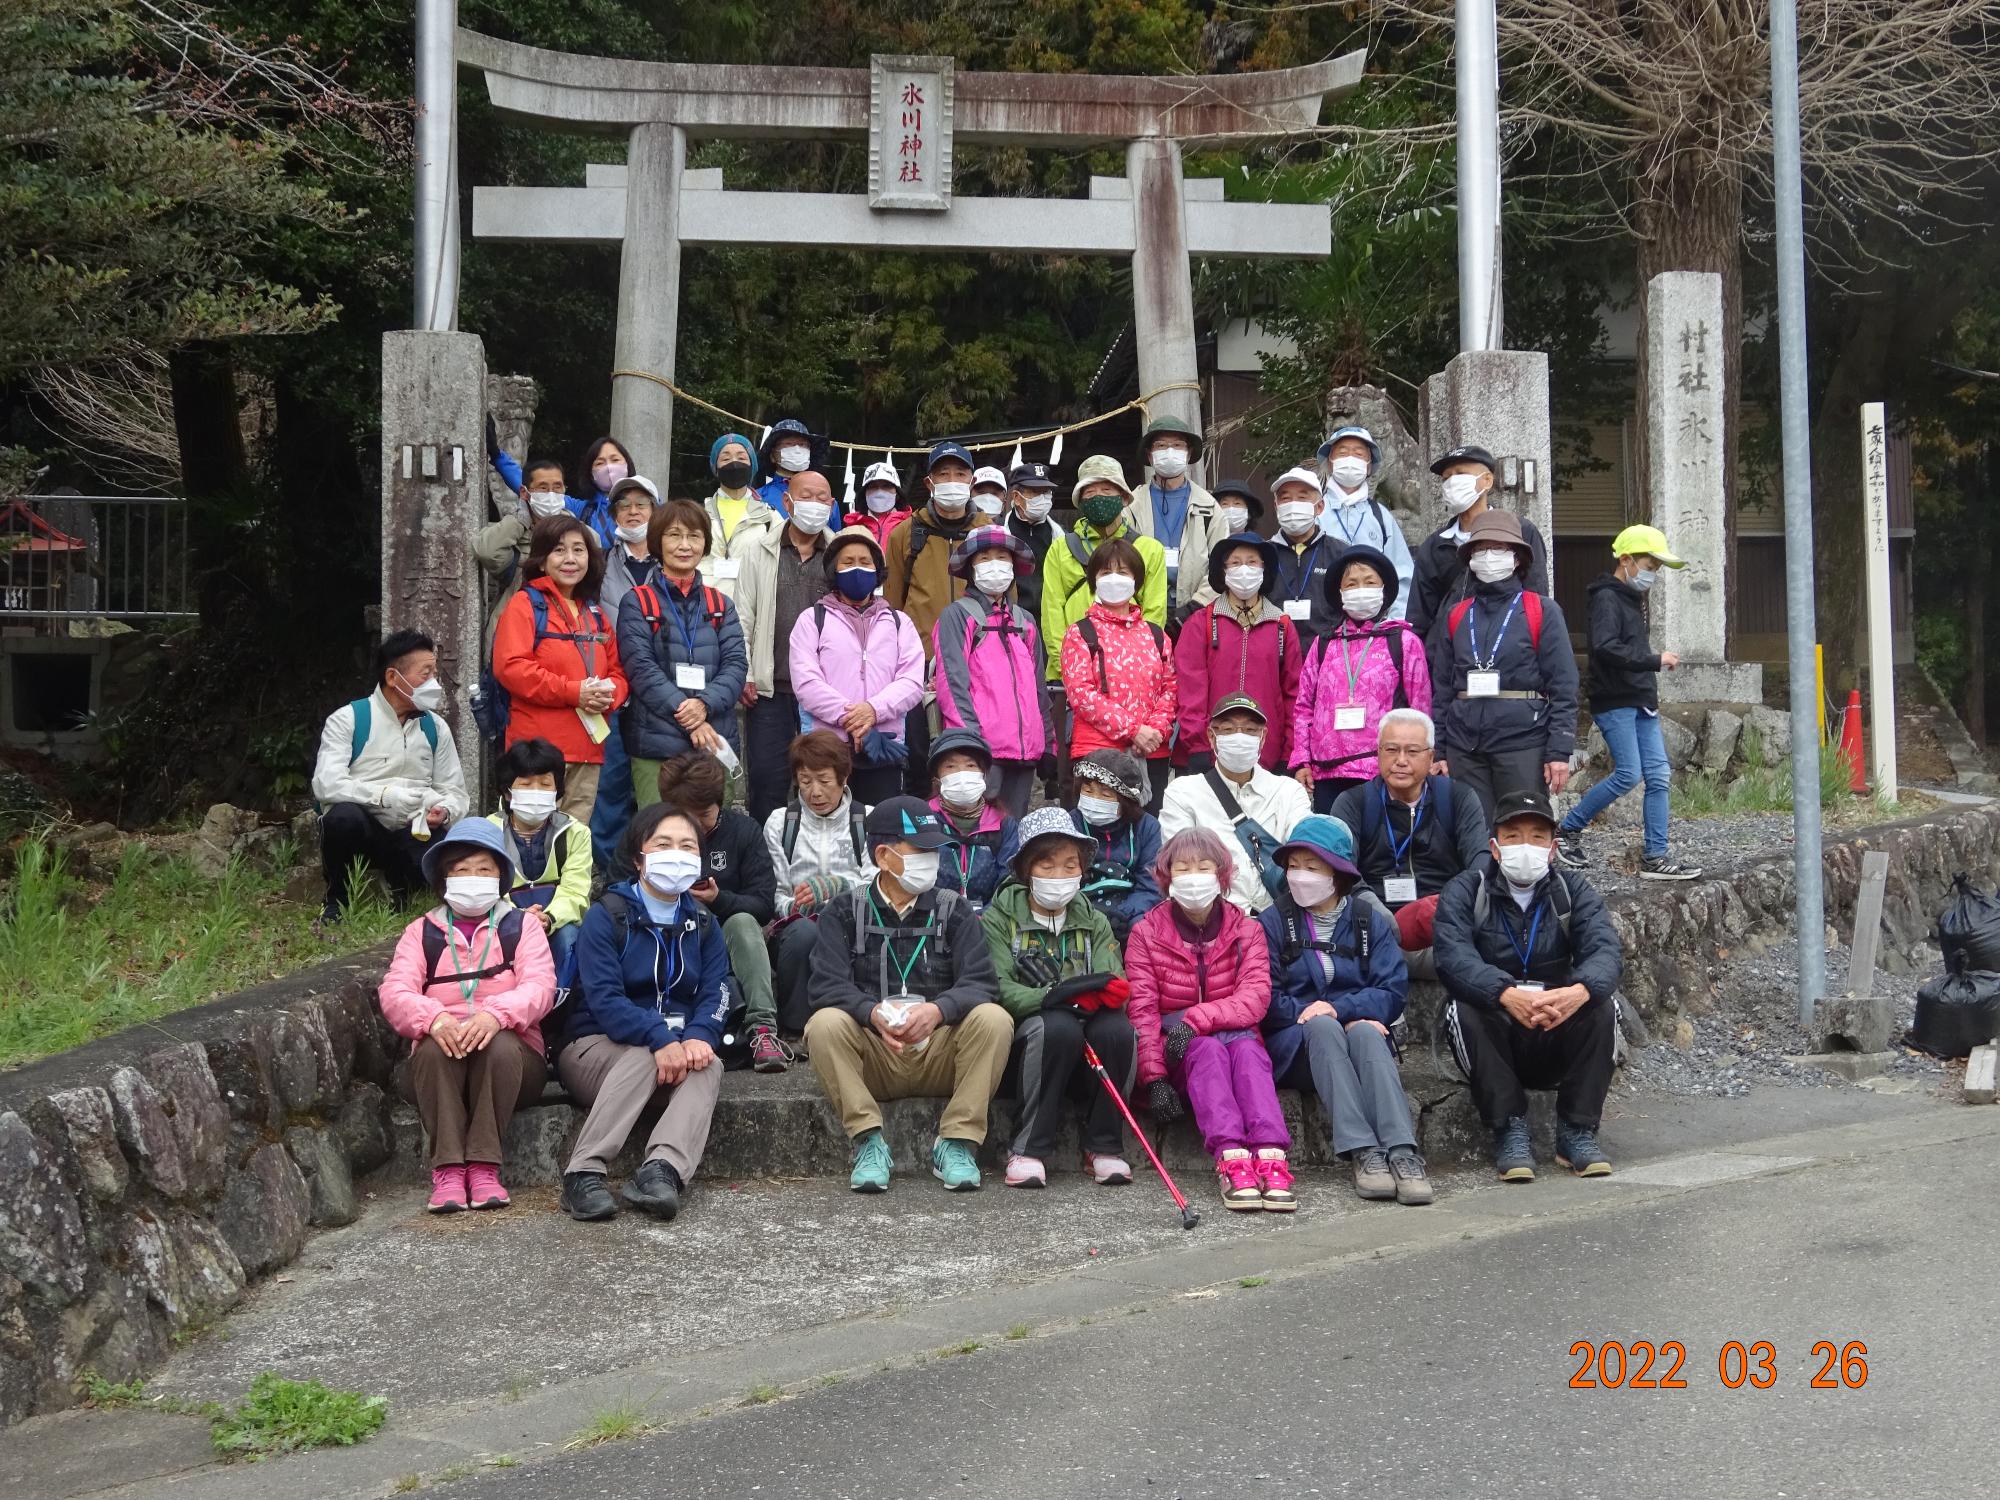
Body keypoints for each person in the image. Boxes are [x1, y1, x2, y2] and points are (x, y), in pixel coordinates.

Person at [804, 796, 1010, 1193]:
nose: (932, 859)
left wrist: (939, 1010)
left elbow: (982, 983)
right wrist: (868, 1013)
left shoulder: (955, 909)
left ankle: (956, 1142)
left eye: (936, 850)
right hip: (876, 1053)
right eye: (922, 850)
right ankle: (867, 1142)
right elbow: (826, 986)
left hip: (939, 1050)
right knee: (824, 1024)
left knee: (993, 1019)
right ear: (884, 855)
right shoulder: (844, 911)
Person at [557, 802, 734, 1223]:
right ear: (639, 856)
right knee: (642, 1055)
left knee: (708, 1065)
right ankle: (583, 1173)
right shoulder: (607, 916)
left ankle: (662, 1172)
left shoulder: (705, 923)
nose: (677, 854)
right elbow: (604, 1000)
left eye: (687, 846)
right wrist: (658, 1036)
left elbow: (718, 990)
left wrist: (698, 1036)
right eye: (664, 844)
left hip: (671, 1055)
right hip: (594, 1047)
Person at [1435, 788, 1624, 1181]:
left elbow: (1606, 951)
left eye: (1538, 837)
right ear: (1495, 846)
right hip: (1498, 1031)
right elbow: (1453, 958)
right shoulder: (1466, 890)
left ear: (1553, 848)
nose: (1527, 846)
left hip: (1555, 1023)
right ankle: (1509, 1130)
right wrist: (1505, 993)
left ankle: (1577, 1132)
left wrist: (1578, 991)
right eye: (1514, 836)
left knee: (1604, 1005)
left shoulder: (1574, 891)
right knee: (1464, 1007)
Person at [378, 817, 555, 1214]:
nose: (472, 878)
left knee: (501, 1045)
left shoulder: (522, 925)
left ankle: (484, 1167)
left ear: (500, 877)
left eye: (483, 869)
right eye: (460, 870)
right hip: (442, 1059)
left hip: (514, 1062)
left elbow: (541, 987)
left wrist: (494, 1016)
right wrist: (435, 1019)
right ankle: (448, 1172)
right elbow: (395, 990)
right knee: (430, 1050)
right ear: (444, 879)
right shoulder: (420, 932)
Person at [1258, 815, 1433, 1206]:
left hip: (1357, 1036)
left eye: (1312, 867)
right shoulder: (1271, 922)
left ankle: (1403, 1152)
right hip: (1296, 1045)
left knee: (1368, 1031)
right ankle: (1364, 1152)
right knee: (1322, 1027)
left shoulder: (1368, 919)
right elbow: (1266, 998)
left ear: (1337, 873)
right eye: (1293, 866)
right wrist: (1319, 1013)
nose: (1300, 876)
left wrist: (1341, 1009)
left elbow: (1392, 990)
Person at [1125, 828, 1292, 1212]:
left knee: (1248, 1048)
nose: (1194, 876)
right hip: (1180, 1053)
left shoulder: (1247, 930)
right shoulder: (1145, 934)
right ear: (1167, 876)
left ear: (1222, 873)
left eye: (1204, 866)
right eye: (1182, 868)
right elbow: (1144, 1010)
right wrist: (1155, 1079)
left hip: (1232, 1042)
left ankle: (1271, 1156)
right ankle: (1231, 1158)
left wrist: (1196, 1018)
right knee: (1207, 1050)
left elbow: (1255, 998)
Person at [983, 806, 1136, 1188]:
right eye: (1047, 866)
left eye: (1071, 866)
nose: (1060, 876)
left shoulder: (1094, 919)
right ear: (1025, 871)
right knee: (1058, 1027)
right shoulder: (999, 919)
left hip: (1088, 1038)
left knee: (1117, 1030)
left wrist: (1089, 996)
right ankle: (1028, 1148)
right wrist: (1052, 997)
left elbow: (1111, 978)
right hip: (1031, 1042)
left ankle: (1104, 1146)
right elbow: (999, 987)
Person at [1556, 525, 1701, 881]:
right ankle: (1566, 830)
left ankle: (1655, 856)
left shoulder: (1629, 598)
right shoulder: (1607, 598)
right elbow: (1605, 647)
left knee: (1658, 776)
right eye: (1651, 565)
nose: (1654, 574)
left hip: (1640, 698)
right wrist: (1655, 660)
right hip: (1615, 699)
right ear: (1627, 561)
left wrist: (1649, 672)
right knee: (1628, 774)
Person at [1428, 509, 1579, 819]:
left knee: (1523, 831)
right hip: (1464, 745)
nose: (1488, 556)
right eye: (1480, 549)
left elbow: (1563, 686)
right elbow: (1442, 688)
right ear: (1469, 558)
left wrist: (1559, 750)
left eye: (1499, 548)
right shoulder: (1457, 614)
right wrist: (1440, 749)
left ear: (1518, 558)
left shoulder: (1542, 611)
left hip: (1523, 742)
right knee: (1472, 833)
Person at [312, 630, 470, 922]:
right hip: (366, 828)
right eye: (425, 674)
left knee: (450, 845)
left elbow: (455, 791)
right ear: (393, 678)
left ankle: (403, 886)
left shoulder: (435, 727)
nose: (434, 683)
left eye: (435, 673)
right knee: (343, 818)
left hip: (414, 830)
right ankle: (337, 899)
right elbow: (326, 783)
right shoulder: (349, 719)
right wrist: (383, 797)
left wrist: (444, 811)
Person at [1331, 709, 1489, 980]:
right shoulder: (1353, 803)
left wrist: (1449, 905)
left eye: (1412, 751)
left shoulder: (1457, 798)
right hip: (1375, 921)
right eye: (1391, 749)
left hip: (1444, 917)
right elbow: (1340, 869)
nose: (1400, 761)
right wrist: (1375, 911)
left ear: (1431, 756)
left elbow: (1481, 862)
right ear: (1378, 752)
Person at [490, 515, 627, 822]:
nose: (570, 559)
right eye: (559, 550)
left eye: (579, 550)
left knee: (574, 835)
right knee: (527, 831)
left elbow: (618, 671)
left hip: (587, 747)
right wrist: (573, 692)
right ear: (541, 560)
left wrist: (610, 694)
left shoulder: (595, 613)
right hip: (535, 751)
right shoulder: (525, 605)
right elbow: (511, 668)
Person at [655, 753, 787, 1072]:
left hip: (725, 930)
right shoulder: (651, 831)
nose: (696, 825)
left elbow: (763, 903)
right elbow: (620, 886)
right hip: (664, 927)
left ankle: (763, 1031)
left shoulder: (743, 830)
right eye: (687, 816)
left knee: (743, 922)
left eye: (705, 815)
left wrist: (718, 899)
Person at [619, 499, 749, 799]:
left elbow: (735, 666)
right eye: (674, 535)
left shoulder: (720, 604)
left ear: (704, 543)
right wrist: (689, 715)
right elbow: (640, 668)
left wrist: (703, 706)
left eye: (694, 535)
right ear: (657, 541)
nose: (684, 544)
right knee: (658, 834)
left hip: (714, 739)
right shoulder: (637, 601)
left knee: (715, 835)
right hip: (656, 742)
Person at [790, 527, 927, 806]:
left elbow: (912, 681)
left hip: (883, 746)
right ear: (833, 570)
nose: (857, 569)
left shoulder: (900, 622)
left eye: (865, 562)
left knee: (878, 831)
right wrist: (852, 718)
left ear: (878, 570)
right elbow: (806, 683)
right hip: (825, 750)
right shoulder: (811, 619)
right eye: (847, 562)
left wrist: (873, 710)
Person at [1291, 542, 1431, 812]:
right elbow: (1304, 707)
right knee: (1333, 848)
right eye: (1352, 583)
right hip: (1327, 772)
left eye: (1369, 582)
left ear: (1384, 590)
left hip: (1383, 770)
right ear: (1340, 592)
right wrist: (1302, 760)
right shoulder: (1324, 644)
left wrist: (1416, 762)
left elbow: (1420, 710)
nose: (1361, 589)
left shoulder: (1403, 641)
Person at [734, 468, 838, 821]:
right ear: (788, 501)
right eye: (805, 496)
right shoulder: (758, 550)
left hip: (827, 691)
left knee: (824, 777)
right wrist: (744, 672)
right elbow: (742, 615)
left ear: (832, 505)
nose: (814, 504)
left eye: (822, 498)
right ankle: (766, 858)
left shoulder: (840, 554)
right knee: (766, 777)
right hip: (769, 687)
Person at [933, 526, 1051, 817]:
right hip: (982, 754)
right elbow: (952, 684)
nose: (994, 564)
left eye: (1002, 557)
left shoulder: (1025, 621)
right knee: (978, 828)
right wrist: (970, 743)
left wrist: (1048, 742)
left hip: (1025, 751)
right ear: (971, 567)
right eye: (984, 557)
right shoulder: (958, 615)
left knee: (1015, 832)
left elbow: (1039, 688)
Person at [764, 730, 876, 1034]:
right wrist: (800, 904)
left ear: (843, 777)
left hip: (854, 920)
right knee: (804, 934)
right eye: (805, 781)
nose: (815, 792)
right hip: (799, 926)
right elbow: (776, 892)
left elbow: (877, 883)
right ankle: (797, 1028)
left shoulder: (867, 819)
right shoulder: (781, 822)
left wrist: (838, 889)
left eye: (824, 781)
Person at [1158, 695, 1310, 916]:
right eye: (1228, 730)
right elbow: (1180, 866)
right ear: (1212, 737)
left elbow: (1304, 851)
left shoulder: (1289, 791)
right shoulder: (1183, 793)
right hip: (1213, 921)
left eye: (1250, 730)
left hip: (1279, 921)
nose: (1240, 738)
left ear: (1263, 737)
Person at [885, 440, 980, 787]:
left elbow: (1006, 601)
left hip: (976, 664)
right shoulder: (905, 534)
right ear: (929, 483)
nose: (952, 480)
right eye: (943, 474)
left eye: (959, 473)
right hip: (919, 665)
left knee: (971, 754)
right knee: (919, 756)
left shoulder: (988, 530)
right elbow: (892, 605)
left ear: (971, 481)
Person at [1061, 537, 1177, 808]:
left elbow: (1170, 689)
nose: (1114, 578)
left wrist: (1154, 733)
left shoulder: (1157, 635)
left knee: (1148, 831)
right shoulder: (1080, 633)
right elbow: (1081, 694)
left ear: (1136, 580)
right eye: (1105, 572)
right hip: (1098, 751)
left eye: (1123, 572)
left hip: (1151, 752)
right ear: (1094, 580)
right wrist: (1134, 731)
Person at [1173, 531, 1302, 774]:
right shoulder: (1200, 622)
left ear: (1264, 569)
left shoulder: (1282, 626)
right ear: (1224, 571)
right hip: (1207, 752)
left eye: (1252, 562)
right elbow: (1190, 690)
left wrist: (1288, 753)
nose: (1244, 569)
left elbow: (1293, 695)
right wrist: (1198, 745)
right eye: (1235, 562)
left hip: (1266, 755)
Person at [588, 474, 664, 864]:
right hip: (613, 687)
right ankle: (610, 868)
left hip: (661, 688)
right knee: (611, 783)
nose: (633, 512)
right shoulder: (598, 562)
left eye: (641, 504)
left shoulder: (672, 562)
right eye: (624, 505)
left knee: (657, 784)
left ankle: (657, 865)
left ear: (655, 510)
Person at [1040, 456, 1168, 686]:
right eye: (1090, 492)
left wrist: (1136, 663)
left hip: (1132, 674)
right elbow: (1052, 611)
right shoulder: (1061, 548)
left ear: (1124, 497)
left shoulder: (1149, 549)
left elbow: (1155, 613)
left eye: (1107, 489)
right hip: (1071, 676)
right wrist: (1067, 667)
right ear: (1080, 500)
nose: (1099, 496)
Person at [1407, 445, 1551, 642]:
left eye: (1460, 473)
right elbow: (1420, 613)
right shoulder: (1435, 544)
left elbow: (1536, 594)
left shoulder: (1521, 531)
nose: (1451, 483)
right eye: (1446, 478)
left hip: (1509, 646)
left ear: (1487, 480)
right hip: (1450, 651)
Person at [484, 737, 593, 979]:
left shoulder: (576, 833)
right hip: (501, 919)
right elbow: (486, 887)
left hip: (553, 919)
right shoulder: (487, 832)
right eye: (526, 784)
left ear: (557, 791)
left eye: (545, 784)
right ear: (508, 792)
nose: (536, 791)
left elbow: (576, 891)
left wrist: (549, 918)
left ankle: (561, 1003)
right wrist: (517, 917)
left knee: (569, 939)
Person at [1126, 414, 1230, 621]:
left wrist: (1195, 605)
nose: (1170, 451)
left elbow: (1223, 562)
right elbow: (1120, 558)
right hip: (1140, 611)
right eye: (1161, 446)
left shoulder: (1209, 506)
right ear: (1149, 454)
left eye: (1177, 445)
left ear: (1188, 452)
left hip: (1196, 613)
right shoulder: (1131, 504)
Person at [1314, 427, 1414, 617]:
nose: (1350, 458)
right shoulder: (1316, 512)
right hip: (1324, 625)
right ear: (1329, 462)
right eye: (1342, 453)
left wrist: (1395, 621)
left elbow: (1403, 576)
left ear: (1369, 466)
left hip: (1376, 625)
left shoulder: (1381, 516)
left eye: (1358, 454)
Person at [474, 456, 568, 655]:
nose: (551, 494)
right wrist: (520, 521)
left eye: (557, 487)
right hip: (514, 632)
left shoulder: (581, 535)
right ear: (525, 492)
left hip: (564, 634)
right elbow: (487, 551)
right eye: (543, 488)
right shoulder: (514, 533)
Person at [1070, 748, 1163, 944]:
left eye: (1106, 795)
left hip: (1130, 909)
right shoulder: (1070, 823)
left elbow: (1150, 885)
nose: (1094, 800)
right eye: (1087, 791)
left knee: (1145, 931)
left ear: (1126, 800)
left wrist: (1125, 914)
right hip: (1077, 907)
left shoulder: (1146, 827)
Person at [926, 727, 1021, 913]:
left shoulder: (1003, 824)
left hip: (990, 920)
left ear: (983, 774)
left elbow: (1010, 882)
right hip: (933, 919)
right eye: (950, 766)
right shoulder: (923, 818)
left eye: (970, 766)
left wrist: (986, 917)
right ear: (937, 777)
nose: (961, 774)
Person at [1267, 467, 1338, 642]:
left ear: (1319, 507)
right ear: (1276, 506)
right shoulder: (1262, 554)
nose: (1293, 504)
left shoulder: (1339, 553)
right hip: (1274, 656)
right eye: (1285, 498)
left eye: (1302, 497)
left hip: (1325, 655)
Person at [1004, 462, 1063, 623]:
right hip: (1011, 621)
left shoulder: (1060, 536)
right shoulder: (1000, 532)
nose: (1042, 498)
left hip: (1050, 620)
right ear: (1016, 497)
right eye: (1035, 493)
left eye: (1046, 492)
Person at [703, 432, 767, 557]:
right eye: (726, 459)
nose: (734, 463)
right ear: (716, 467)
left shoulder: (769, 515)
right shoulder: (700, 512)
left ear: (752, 465)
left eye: (742, 458)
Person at [571, 436, 638, 552]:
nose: (608, 467)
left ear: (627, 464)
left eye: (615, 460)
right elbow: (543, 496)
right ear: (591, 473)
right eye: (600, 463)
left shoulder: (649, 503)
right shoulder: (581, 508)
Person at [755, 418, 815, 515]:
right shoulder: (758, 498)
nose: (797, 449)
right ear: (772, 456)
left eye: (803, 444)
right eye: (789, 444)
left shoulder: (823, 497)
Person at [846, 459, 909, 547]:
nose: (879, 492)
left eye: (886, 486)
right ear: (865, 494)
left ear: (897, 493)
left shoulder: (909, 525)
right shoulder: (852, 526)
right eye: (873, 486)